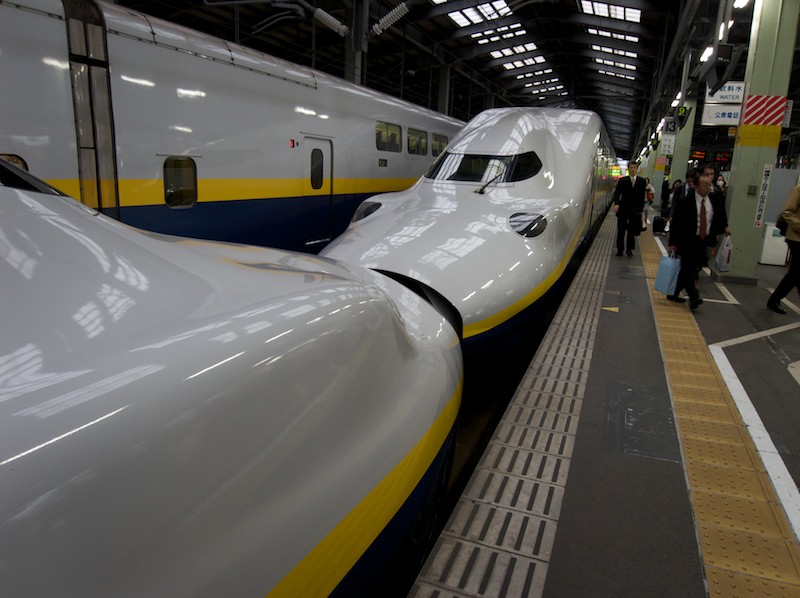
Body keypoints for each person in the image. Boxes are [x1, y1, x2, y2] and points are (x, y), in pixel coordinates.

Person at [667, 172, 732, 309]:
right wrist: (672, 242)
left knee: (697, 264)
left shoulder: (713, 199)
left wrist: (724, 227)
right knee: (687, 268)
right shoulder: (685, 201)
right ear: (696, 186)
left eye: (709, 185)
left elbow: (720, 214)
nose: (708, 188)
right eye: (704, 185)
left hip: (704, 239)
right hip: (687, 239)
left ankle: (673, 293)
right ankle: (694, 296)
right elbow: (676, 223)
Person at [766, 185, 800, 314]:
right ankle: (774, 300)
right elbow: (788, 212)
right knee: (796, 272)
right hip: (796, 238)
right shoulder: (798, 189)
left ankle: (774, 300)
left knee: (795, 273)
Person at [613, 161, 647, 256]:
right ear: (628, 169)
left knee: (631, 231)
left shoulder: (642, 181)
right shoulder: (623, 180)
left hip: (635, 211)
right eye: (631, 167)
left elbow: (641, 197)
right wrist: (616, 203)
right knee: (621, 230)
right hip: (623, 209)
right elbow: (617, 193)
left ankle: (629, 249)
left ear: (637, 169)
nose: (633, 169)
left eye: (634, 167)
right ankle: (620, 250)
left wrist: (640, 210)